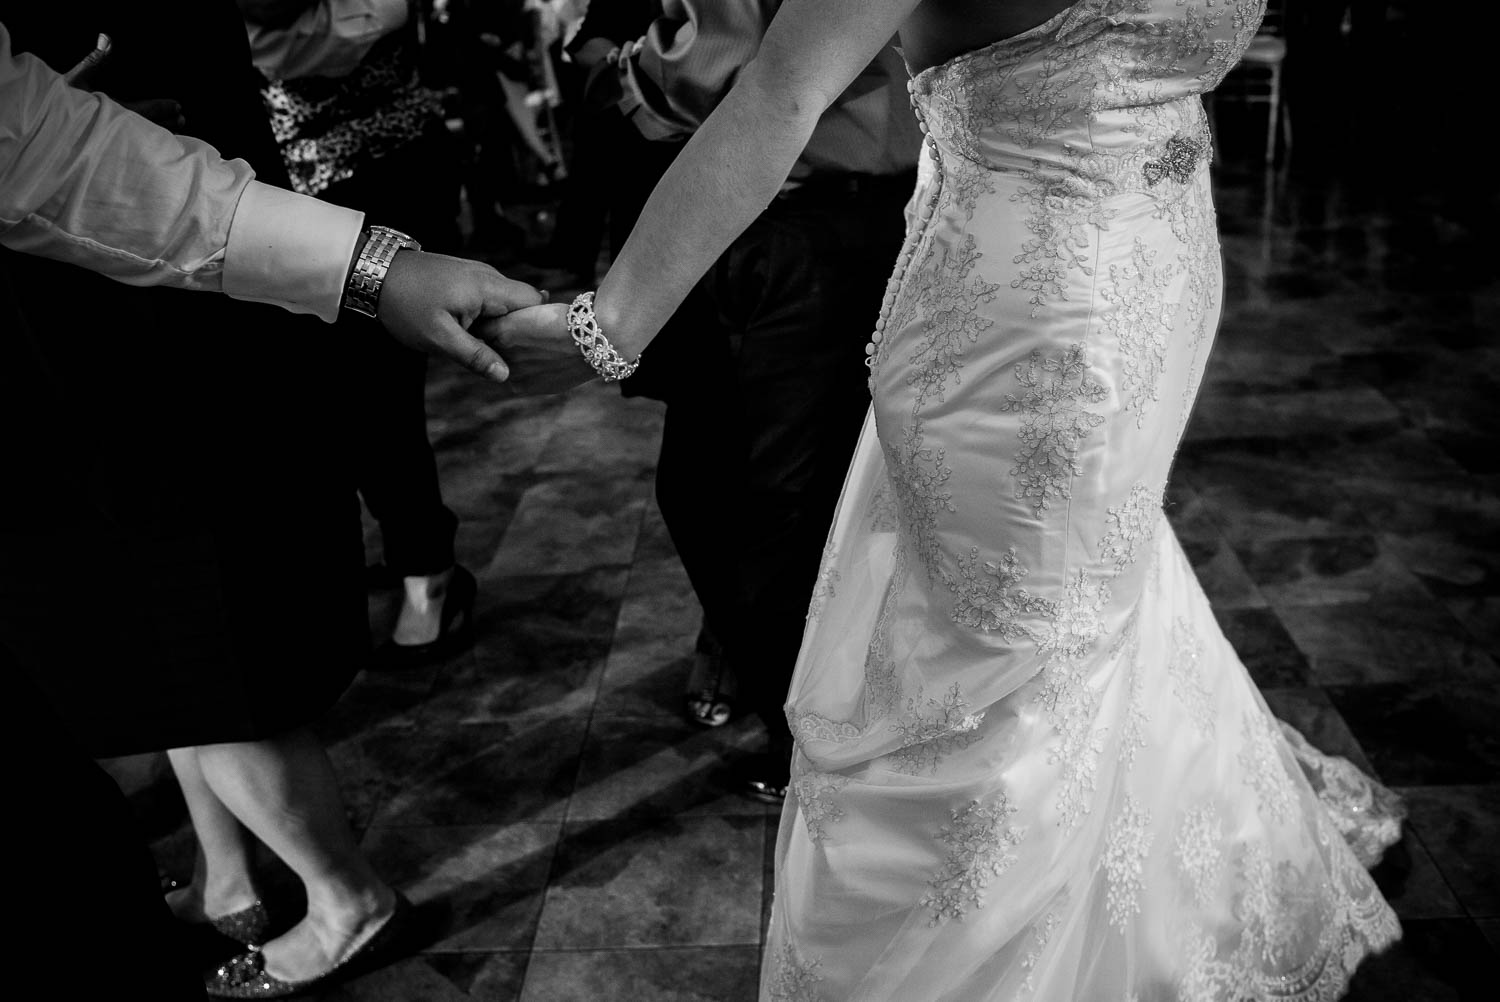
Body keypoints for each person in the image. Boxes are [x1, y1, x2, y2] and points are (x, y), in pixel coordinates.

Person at [488, 0, 1403, 997]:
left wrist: (603, 324)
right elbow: (786, 91)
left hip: (1096, 304)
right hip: (1087, 302)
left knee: (1049, 645)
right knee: (1029, 652)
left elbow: (783, 91)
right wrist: (609, 321)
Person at [0, 16, 537, 998]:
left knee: (191, 645)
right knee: (166, 661)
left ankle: (339, 896)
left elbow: (50, 146)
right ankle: (231, 874)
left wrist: (377, 272)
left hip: (137, 332)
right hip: (82, 347)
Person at [606, 0, 921, 797]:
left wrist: (627, 67)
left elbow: (715, 74)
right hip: (853, 210)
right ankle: (808, 700)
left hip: (790, 217)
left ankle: (809, 731)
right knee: (797, 492)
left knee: (750, 500)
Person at [241, 0, 476, 658]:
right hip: (272, 195)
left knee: (376, 395)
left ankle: (428, 568)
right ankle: (400, 549)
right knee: (318, 402)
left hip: (382, 169)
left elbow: (367, 22)